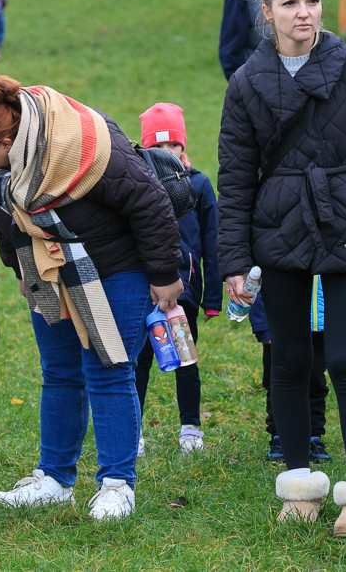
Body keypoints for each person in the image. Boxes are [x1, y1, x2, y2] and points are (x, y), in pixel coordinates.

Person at [217, 0, 346, 541]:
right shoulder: (247, 82)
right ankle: (299, 486)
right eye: (290, 3)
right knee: (292, 360)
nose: (305, 12)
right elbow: (234, 177)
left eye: (313, 0)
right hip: (279, 233)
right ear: (268, 12)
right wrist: (234, 259)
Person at [0, 76, 183, 520]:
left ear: (6, 142)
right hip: (45, 264)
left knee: (108, 368)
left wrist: (164, 273)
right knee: (58, 371)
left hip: (116, 266)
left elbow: (150, 203)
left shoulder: (86, 143)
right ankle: (55, 479)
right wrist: (21, 269)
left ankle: (118, 484)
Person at [134, 103, 218, 454]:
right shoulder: (135, 184)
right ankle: (132, 431)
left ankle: (190, 428)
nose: (167, 153)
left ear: (183, 147)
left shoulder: (198, 184)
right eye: (159, 146)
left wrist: (212, 298)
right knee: (138, 360)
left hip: (184, 289)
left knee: (186, 357)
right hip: (143, 290)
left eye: (174, 146)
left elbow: (213, 243)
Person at [251, 288, 333, 463]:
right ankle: (279, 436)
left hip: (319, 322)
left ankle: (313, 435)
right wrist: (263, 324)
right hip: (279, 323)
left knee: (316, 379)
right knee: (277, 379)